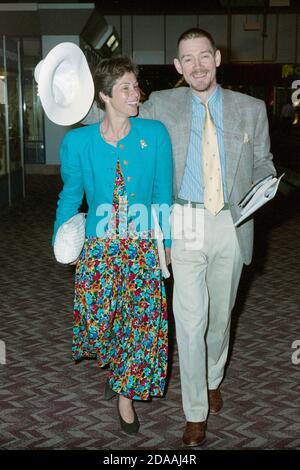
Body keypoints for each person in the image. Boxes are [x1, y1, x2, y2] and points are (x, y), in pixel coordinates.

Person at [138, 28, 276, 446]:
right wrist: (81, 98)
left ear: (217, 57)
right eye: (187, 59)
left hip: (231, 225)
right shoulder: (161, 104)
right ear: (178, 67)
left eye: (203, 56)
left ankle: (214, 377)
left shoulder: (250, 108)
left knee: (219, 318)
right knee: (189, 320)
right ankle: (194, 410)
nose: (196, 65)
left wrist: (265, 186)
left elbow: (263, 163)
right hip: (185, 221)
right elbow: (116, 117)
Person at [53, 56, 172, 435]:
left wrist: (165, 243)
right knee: (105, 323)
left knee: (143, 324)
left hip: (140, 248)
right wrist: (64, 243)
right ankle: (121, 368)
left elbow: (163, 195)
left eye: (136, 86)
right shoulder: (77, 141)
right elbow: (70, 198)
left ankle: (125, 396)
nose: (136, 93)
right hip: (99, 249)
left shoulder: (154, 134)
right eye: (126, 88)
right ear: (104, 95)